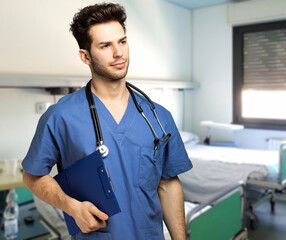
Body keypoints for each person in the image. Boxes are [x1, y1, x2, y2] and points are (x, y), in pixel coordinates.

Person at [22, 3, 192, 240]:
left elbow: (168, 184)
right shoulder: (61, 117)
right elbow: (31, 176)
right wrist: (72, 207)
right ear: (85, 56)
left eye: (122, 41)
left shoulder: (158, 116)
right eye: (105, 45)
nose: (118, 52)